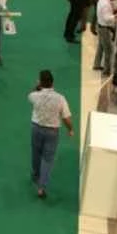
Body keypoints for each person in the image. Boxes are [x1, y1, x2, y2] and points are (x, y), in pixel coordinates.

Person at [28, 70, 74, 199]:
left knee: (36, 153)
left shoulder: (35, 96)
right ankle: (41, 188)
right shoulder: (60, 98)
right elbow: (66, 117)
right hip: (52, 132)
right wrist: (70, 129)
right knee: (47, 159)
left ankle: (36, 175)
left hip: (36, 128)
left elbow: (30, 94)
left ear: (40, 82)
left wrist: (37, 86)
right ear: (53, 83)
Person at [93, 0, 117, 74]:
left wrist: (115, 9)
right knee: (108, 50)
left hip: (100, 26)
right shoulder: (106, 4)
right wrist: (116, 16)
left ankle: (96, 64)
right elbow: (107, 18)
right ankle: (106, 71)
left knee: (100, 47)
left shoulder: (103, 0)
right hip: (104, 29)